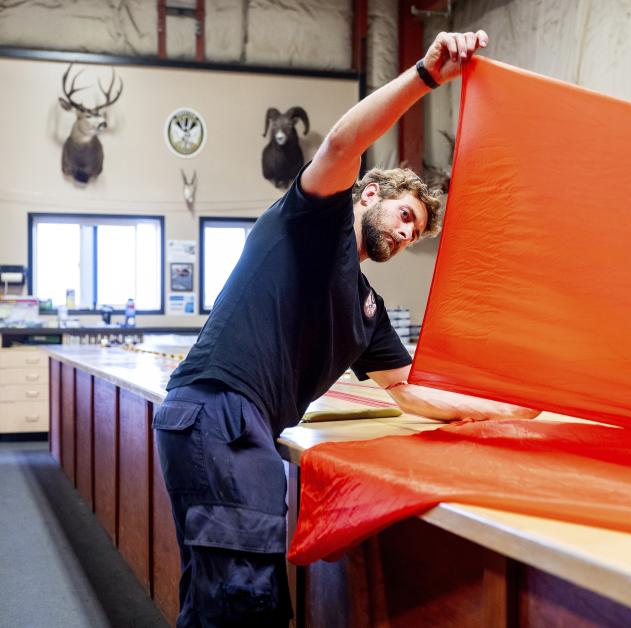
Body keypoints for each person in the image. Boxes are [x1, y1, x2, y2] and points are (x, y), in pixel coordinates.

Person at [153, 30, 538, 627]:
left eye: (417, 234)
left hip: (237, 427)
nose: (409, 234)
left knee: (222, 603)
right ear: (371, 194)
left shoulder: (365, 308)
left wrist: (510, 411)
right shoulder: (313, 220)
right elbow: (342, 140)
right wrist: (426, 77)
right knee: (244, 605)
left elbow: (410, 391)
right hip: (218, 412)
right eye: (407, 216)